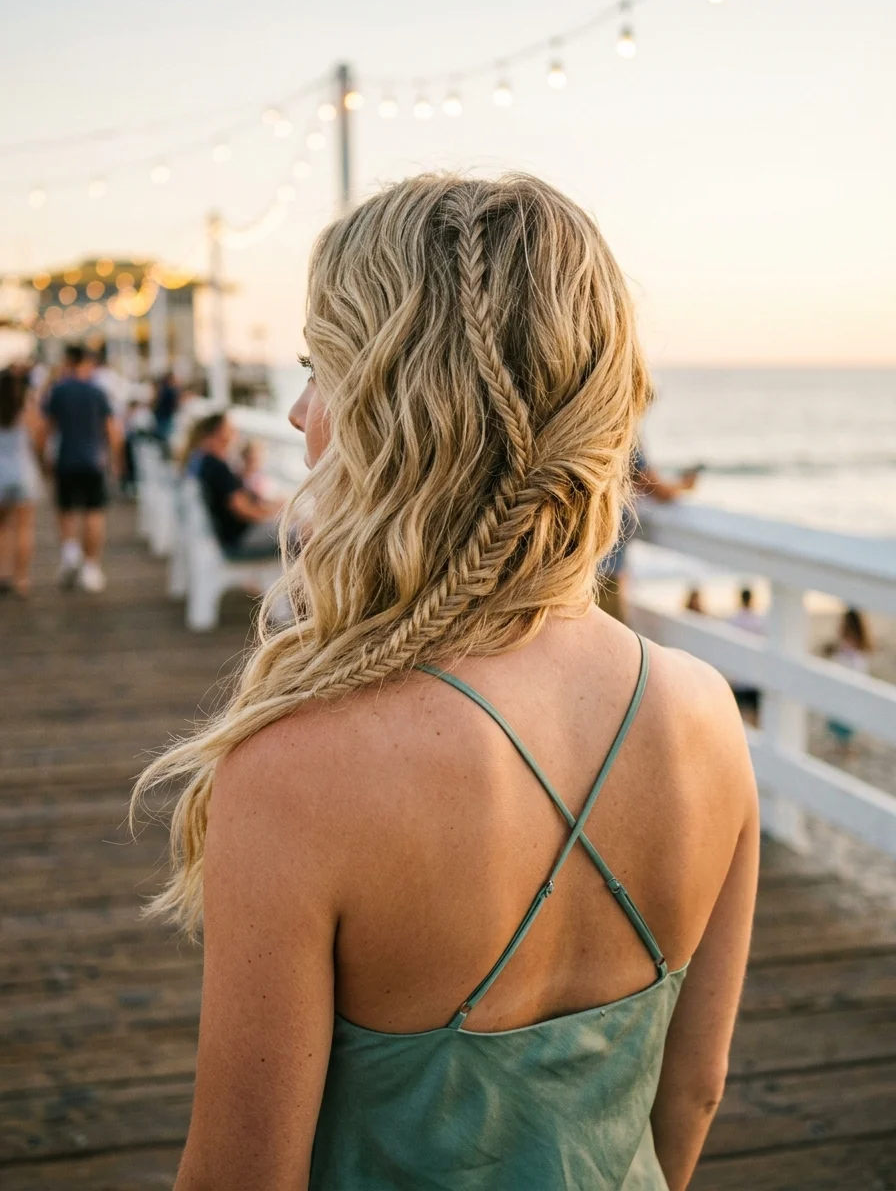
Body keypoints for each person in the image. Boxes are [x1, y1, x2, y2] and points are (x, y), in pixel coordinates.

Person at [133, 174, 758, 1191]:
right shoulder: (702, 711)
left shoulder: (297, 770)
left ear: (401, 402)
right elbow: (693, 1090)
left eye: (319, 366)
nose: (296, 413)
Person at [38, 345, 122, 592]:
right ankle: (91, 566)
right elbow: (112, 431)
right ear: (85, 363)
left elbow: (45, 428)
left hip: (65, 458)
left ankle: (70, 552)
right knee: (93, 513)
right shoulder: (97, 392)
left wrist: (43, 458)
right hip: (94, 460)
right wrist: (115, 460)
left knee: (65, 509)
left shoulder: (58, 391)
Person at [598, 449, 700, 624]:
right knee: (609, 638)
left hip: (587, 566)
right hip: (605, 569)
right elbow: (656, 489)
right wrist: (684, 485)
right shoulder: (624, 430)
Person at [193, 412, 284, 558]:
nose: (235, 432)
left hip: (229, 537)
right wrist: (277, 515)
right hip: (240, 539)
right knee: (305, 532)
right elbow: (242, 509)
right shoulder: (217, 467)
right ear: (218, 432)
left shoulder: (203, 461)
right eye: (230, 428)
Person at [0, 366, 42, 597]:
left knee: (1, 529)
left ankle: (2, 574)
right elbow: (38, 436)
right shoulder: (26, 410)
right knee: (24, 528)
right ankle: (21, 578)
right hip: (23, 473)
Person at [824, 607, 872, 751]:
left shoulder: (856, 649)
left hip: (850, 684)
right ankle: (843, 745)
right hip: (845, 684)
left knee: (847, 717)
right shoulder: (855, 644)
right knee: (842, 716)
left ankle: (845, 746)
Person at [728, 586, 764, 723]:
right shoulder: (758, 620)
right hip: (754, 675)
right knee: (755, 715)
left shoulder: (733, 620)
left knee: (740, 716)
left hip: (739, 674)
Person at [152, 371, 181, 452]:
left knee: (162, 435)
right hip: (165, 416)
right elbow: (175, 403)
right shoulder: (170, 390)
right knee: (165, 435)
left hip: (161, 415)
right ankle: (164, 451)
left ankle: (162, 450)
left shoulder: (163, 389)